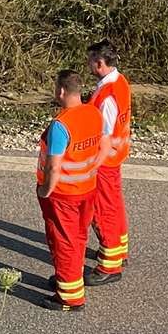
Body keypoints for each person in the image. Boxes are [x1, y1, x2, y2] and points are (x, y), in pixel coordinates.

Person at [36, 69, 104, 311]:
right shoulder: (93, 113)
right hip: (87, 189)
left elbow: (54, 166)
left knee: (63, 242)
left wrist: (45, 190)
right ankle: (70, 280)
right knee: (77, 238)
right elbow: (102, 146)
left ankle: (70, 297)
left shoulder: (60, 125)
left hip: (62, 193)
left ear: (61, 91)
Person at [86, 40, 131, 285]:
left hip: (104, 160)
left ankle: (109, 266)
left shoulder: (107, 96)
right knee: (114, 204)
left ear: (100, 63)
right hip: (117, 154)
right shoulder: (120, 82)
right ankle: (119, 250)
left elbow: (102, 134)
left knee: (103, 211)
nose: (88, 65)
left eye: (91, 61)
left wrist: (92, 164)